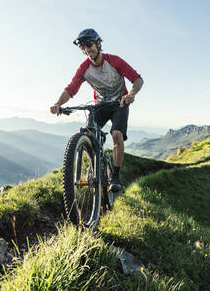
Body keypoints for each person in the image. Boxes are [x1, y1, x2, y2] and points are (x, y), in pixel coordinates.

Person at [50, 29, 143, 192]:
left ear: (98, 44)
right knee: (87, 135)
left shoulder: (114, 61)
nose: (87, 49)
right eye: (83, 48)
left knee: (116, 134)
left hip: (120, 103)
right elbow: (71, 89)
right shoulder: (84, 68)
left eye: (89, 45)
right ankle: (94, 165)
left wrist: (131, 94)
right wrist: (58, 103)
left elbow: (137, 79)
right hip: (99, 105)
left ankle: (115, 176)